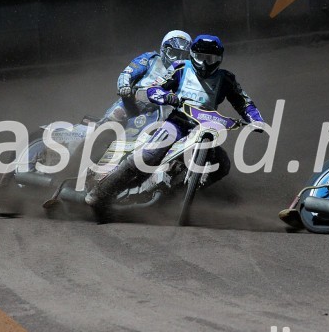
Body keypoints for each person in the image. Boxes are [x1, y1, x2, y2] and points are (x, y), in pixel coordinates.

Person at [85, 35, 265, 210]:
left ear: (219, 59)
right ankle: (100, 193)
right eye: (200, 57)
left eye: (210, 59)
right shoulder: (181, 67)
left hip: (205, 128)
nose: (205, 63)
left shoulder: (226, 78)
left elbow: (244, 102)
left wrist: (256, 120)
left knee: (223, 165)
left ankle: (178, 194)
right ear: (192, 55)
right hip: (177, 122)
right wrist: (165, 96)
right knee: (147, 156)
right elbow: (154, 88)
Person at [105, 30, 192, 123]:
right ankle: (98, 126)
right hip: (134, 102)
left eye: (183, 55)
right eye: (173, 53)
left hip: (164, 107)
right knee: (113, 118)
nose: (177, 59)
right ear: (163, 49)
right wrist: (124, 86)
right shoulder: (150, 58)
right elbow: (127, 73)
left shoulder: (189, 72)